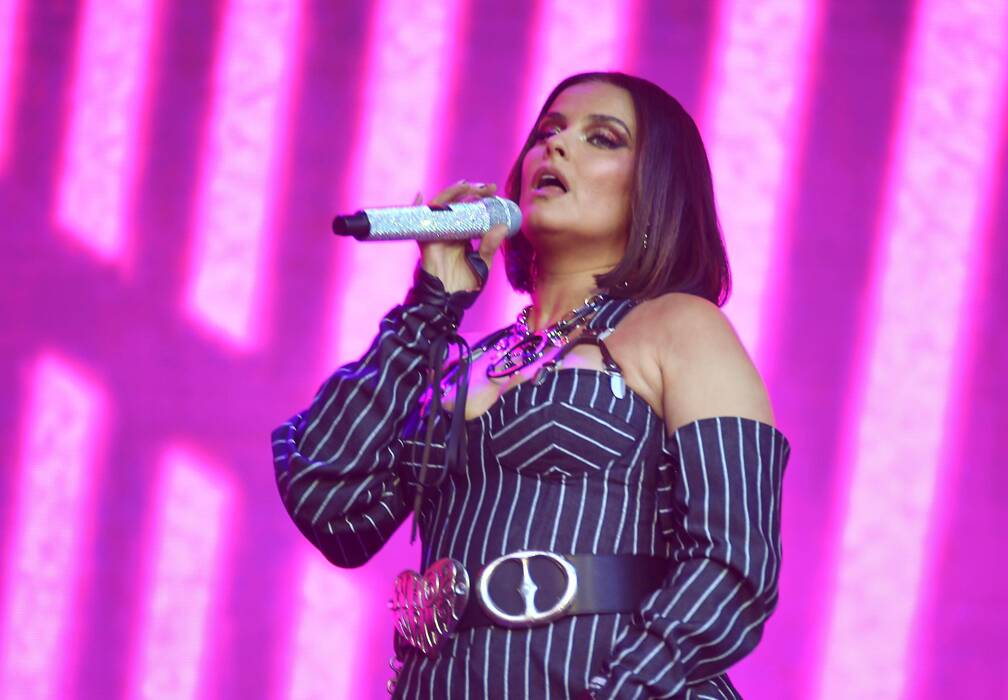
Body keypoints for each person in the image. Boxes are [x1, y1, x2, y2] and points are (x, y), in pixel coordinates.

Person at [273, 72, 791, 699]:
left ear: (657, 190)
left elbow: (734, 562)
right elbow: (330, 505)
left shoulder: (680, 327)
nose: (556, 146)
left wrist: (625, 690)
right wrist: (429, 305)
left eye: (602, 138)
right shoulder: (465, 360)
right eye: (547, 132)